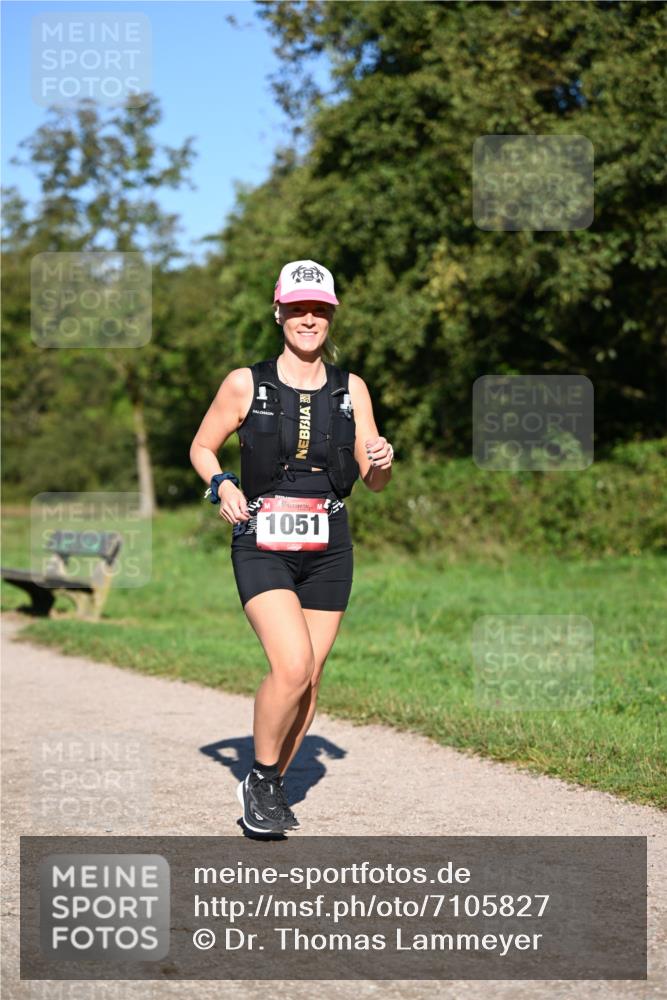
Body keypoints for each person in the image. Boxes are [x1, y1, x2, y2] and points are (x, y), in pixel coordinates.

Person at [190, 259, 394, 835]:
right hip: (262, 540)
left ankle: (274, 785)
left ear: (331, 316)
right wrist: (221, 482)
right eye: (299, 308)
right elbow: (202, 447)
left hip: (331, 545)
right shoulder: (244, 383)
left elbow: (373, 479)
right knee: (292, 663)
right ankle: (257, 776)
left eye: (320, 310)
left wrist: (382, 462)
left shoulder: (351, 388)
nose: (310, 319)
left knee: (311, 677)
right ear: (279, 311)